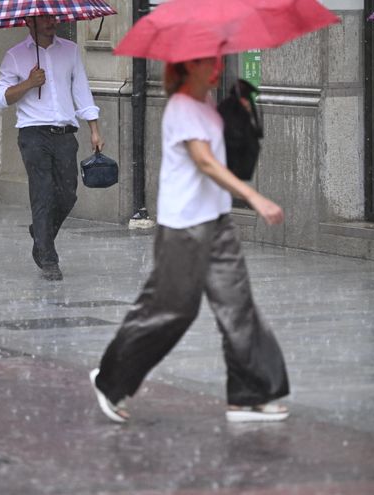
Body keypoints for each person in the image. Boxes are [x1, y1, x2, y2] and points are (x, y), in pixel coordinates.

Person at [89, 57, 290, 424]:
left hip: (217, 222)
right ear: (185, 66)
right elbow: (206, 163)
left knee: (238, 305)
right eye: (204, 62)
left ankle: (250, 395)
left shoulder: (207, 103)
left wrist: (240, 115)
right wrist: (254, 197)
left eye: (216, 60)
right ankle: (111, 380)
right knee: (171, 310)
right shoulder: (181, 106)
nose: (215, 67)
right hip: (183, 228)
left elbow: (225, 155)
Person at [0, 15, 104, 281]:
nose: (51, 22)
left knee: (67, 194)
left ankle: (41, 234)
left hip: (65, 133)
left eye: (52, 16)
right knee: (42, 193)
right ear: (28, 22)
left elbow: (81, 90)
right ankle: (48, 258)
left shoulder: (70, 50)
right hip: (33, 134)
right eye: (43, 18)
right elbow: (0, 99)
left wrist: (94, 129)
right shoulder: (15, 55)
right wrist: (28, 83)